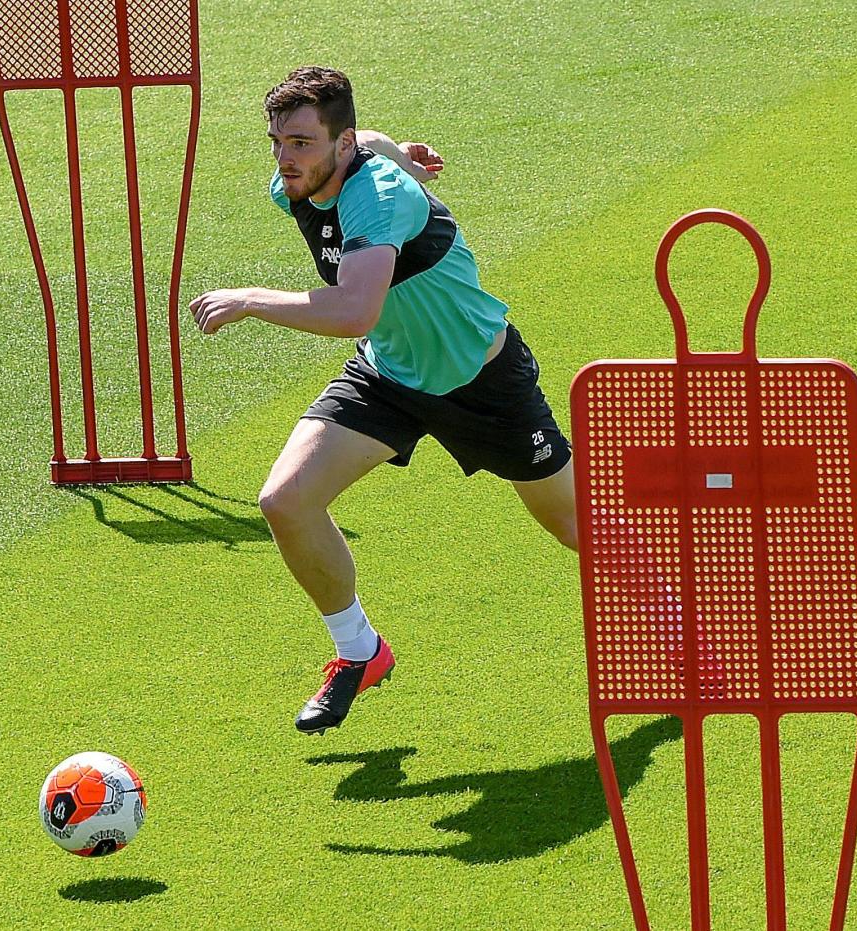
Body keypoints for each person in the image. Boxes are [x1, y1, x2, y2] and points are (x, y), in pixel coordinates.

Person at [189, 66, 577, 735]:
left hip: (482, 385)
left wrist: (252, 299)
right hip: (391, 374)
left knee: (579, 527)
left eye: (302, 143)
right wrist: (402, 146)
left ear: (339, 148)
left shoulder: (379, 196)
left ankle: (691, 640)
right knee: (285, 500)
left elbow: (354, 306)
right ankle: (359, 651)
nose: (286, 158)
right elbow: (363, 134)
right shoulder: (298, 185)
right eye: (278, 141)